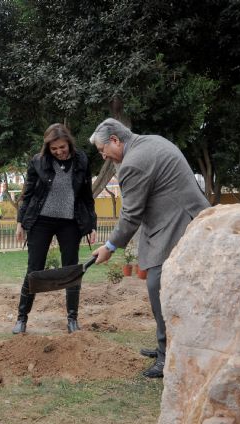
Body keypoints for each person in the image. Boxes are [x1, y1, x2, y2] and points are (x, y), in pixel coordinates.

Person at [89, 118, 209, 378]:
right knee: (162, 284)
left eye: (103, 151)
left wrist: (109, 246)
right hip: (175, 218)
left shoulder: (133, 162)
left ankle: (168, 356)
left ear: (115, 140)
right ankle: (167, 345)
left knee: (158, 284)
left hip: (179, 221)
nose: (104, 157)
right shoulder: (150, 141)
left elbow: (131, 213)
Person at [13, 123, 97, 335]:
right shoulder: (38, 162)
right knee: (34, 268)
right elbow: (28, 193)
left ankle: (72, 319)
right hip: (41, 221)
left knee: (72, 269)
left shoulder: (81, 160)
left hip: (70, 222)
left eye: (62, 147)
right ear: (48, 148)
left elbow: (87, 195)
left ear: (69, 142)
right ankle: (21, 319)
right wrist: (20, 222)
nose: (59, 152)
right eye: (54, 149)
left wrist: (91, 224)